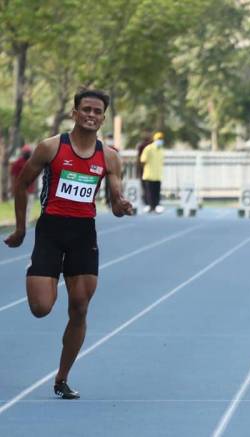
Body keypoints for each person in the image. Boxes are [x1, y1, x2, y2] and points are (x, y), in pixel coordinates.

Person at [4, 88, 133, 399]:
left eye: (97, 111)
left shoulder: (109, 156)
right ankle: (42, 271)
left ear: (103, 118)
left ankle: (61, 379)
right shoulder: (50, 147)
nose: (91, 115)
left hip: (83, 235)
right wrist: (21, 229)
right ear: (75, 113)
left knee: (80, 308)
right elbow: (22, 184)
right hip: (50, 231)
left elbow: (114, 201)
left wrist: (121, 205)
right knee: (41, 308)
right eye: (85, 109)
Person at [140, 131, 165, 214]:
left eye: (161, 139)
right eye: (159, 139)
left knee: (156, 193)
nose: (160, 140)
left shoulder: (161, 150)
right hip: (149, 175)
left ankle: (156, 207)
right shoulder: (148, 148)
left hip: (158, 175)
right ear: (155, 139)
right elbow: (143, 160)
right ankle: (150, 207)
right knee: (149, 193)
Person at [10, 144, 36, 221]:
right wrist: (13, 188)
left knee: (29, 207)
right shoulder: (18, 163)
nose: (28, 153)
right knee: (20, 207)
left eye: (29, 152)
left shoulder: (33, 161)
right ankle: (20, 222)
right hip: (20, 189)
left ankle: (26, 223)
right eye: (26, 152)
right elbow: (13, 176)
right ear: (23, 153)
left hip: (30, 189)